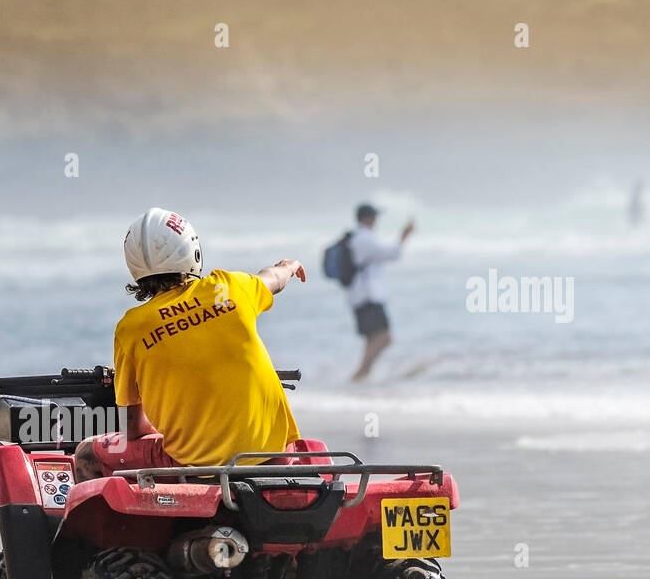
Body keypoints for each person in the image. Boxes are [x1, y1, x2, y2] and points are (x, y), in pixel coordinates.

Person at [73, 207, 306, 480]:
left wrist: (176, 428)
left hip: (197, 470)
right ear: (192, 251)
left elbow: (133, 429)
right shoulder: (229, 288)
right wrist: (289, 266)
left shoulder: (131, 330)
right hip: (277, 457)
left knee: (85, 452)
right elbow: (273, 279)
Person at [345, 203, 414, 381]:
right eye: (374, 217)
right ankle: (360, 374)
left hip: (359, 296)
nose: (376, 221)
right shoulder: (364, 239)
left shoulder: (355, 238)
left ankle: (362, 376)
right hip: (368, 296)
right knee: (384, 338)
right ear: (368, 218)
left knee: (371, 339)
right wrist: (404, 235)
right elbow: (393, 253)